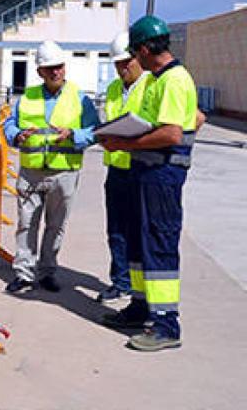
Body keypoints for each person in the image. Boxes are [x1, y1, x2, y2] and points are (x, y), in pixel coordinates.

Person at [99, 15, 199, 351]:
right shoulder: (158, 80)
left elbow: (171, 132)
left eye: (135, 54)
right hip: (147, 174)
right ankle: (141, 307)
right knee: (140, 244)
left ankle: (166, 324)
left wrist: (124, 143)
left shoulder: (174, 80)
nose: (133, 61)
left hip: (163, 175)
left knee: (159, 244)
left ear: (144, 49)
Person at [3, 41, 100, 293]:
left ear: (64, 67)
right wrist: (17, 135)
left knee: (55, 226)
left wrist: (74, 135)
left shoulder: (80, 99)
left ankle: (47, 271)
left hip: (63, 172)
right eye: (49, 68)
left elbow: (95, 130)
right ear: (40, 72)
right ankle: (24, 274)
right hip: (31, 172)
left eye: (58, 67)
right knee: (26, 223)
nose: (55, 72)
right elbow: (9, 124)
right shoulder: (27, 97)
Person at [96, 31, 150, 303]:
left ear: (138, 58)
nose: (122, 67)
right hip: (116, 169)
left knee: (138, 230)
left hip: (141, 168)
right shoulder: (114, 89)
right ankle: (121, 281)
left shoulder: (151, 85)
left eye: (126, 61)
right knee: (116, 230)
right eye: (117, 63)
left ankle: (140, 288)